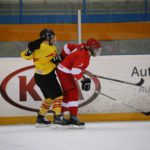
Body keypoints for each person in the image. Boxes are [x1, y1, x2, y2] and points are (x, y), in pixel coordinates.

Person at [20, 28, 65, 127]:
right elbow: (54, 60)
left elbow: (24, 55)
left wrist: (30, 50)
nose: (54, 39)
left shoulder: (36, 46)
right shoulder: (49, 48)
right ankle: (58, 117)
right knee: (58, 96)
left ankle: (40, 118)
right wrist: (59, 58)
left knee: (49, 98)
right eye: (53, 37)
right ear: (48, 37)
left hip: (38, 77)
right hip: (47, 76)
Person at [52, 38, 102, 126]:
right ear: (90, 48)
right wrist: (83, 80)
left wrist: (62, 56)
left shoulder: (82, 46)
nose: (97, 51)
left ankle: (60, 116)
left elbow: (67, 46)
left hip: (63, 70)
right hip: (65, 72)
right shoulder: (84, 56)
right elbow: (75, 71)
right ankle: (73, 118)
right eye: (95, 49)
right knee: (73, 92)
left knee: (68, 94)